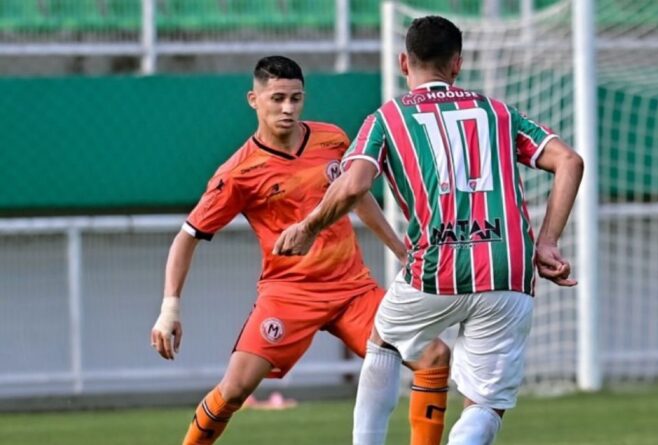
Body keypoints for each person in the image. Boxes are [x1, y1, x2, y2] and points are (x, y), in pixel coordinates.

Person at [274, 16, 584, 445]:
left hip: (437, 266)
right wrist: (547, 241)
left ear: (404, 62)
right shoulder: (497, 112)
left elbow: (354, 184)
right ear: (457, 64)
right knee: (484, 404)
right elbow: (569, 161)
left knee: (383, 344)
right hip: (508, 268)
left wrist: (309, 227)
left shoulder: (387, 118)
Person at [150, 55, 450, 445]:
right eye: (277, 99)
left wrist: (400, 250)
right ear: (254, 100)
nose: (288, 108)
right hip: (289, 295)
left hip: (352, 291)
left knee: (434, 357)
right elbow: (187, 236)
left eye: (295, 98)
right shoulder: (238, 173)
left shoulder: (332, 139)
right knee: (235, 390)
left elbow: (355, 195)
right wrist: (169, 308)